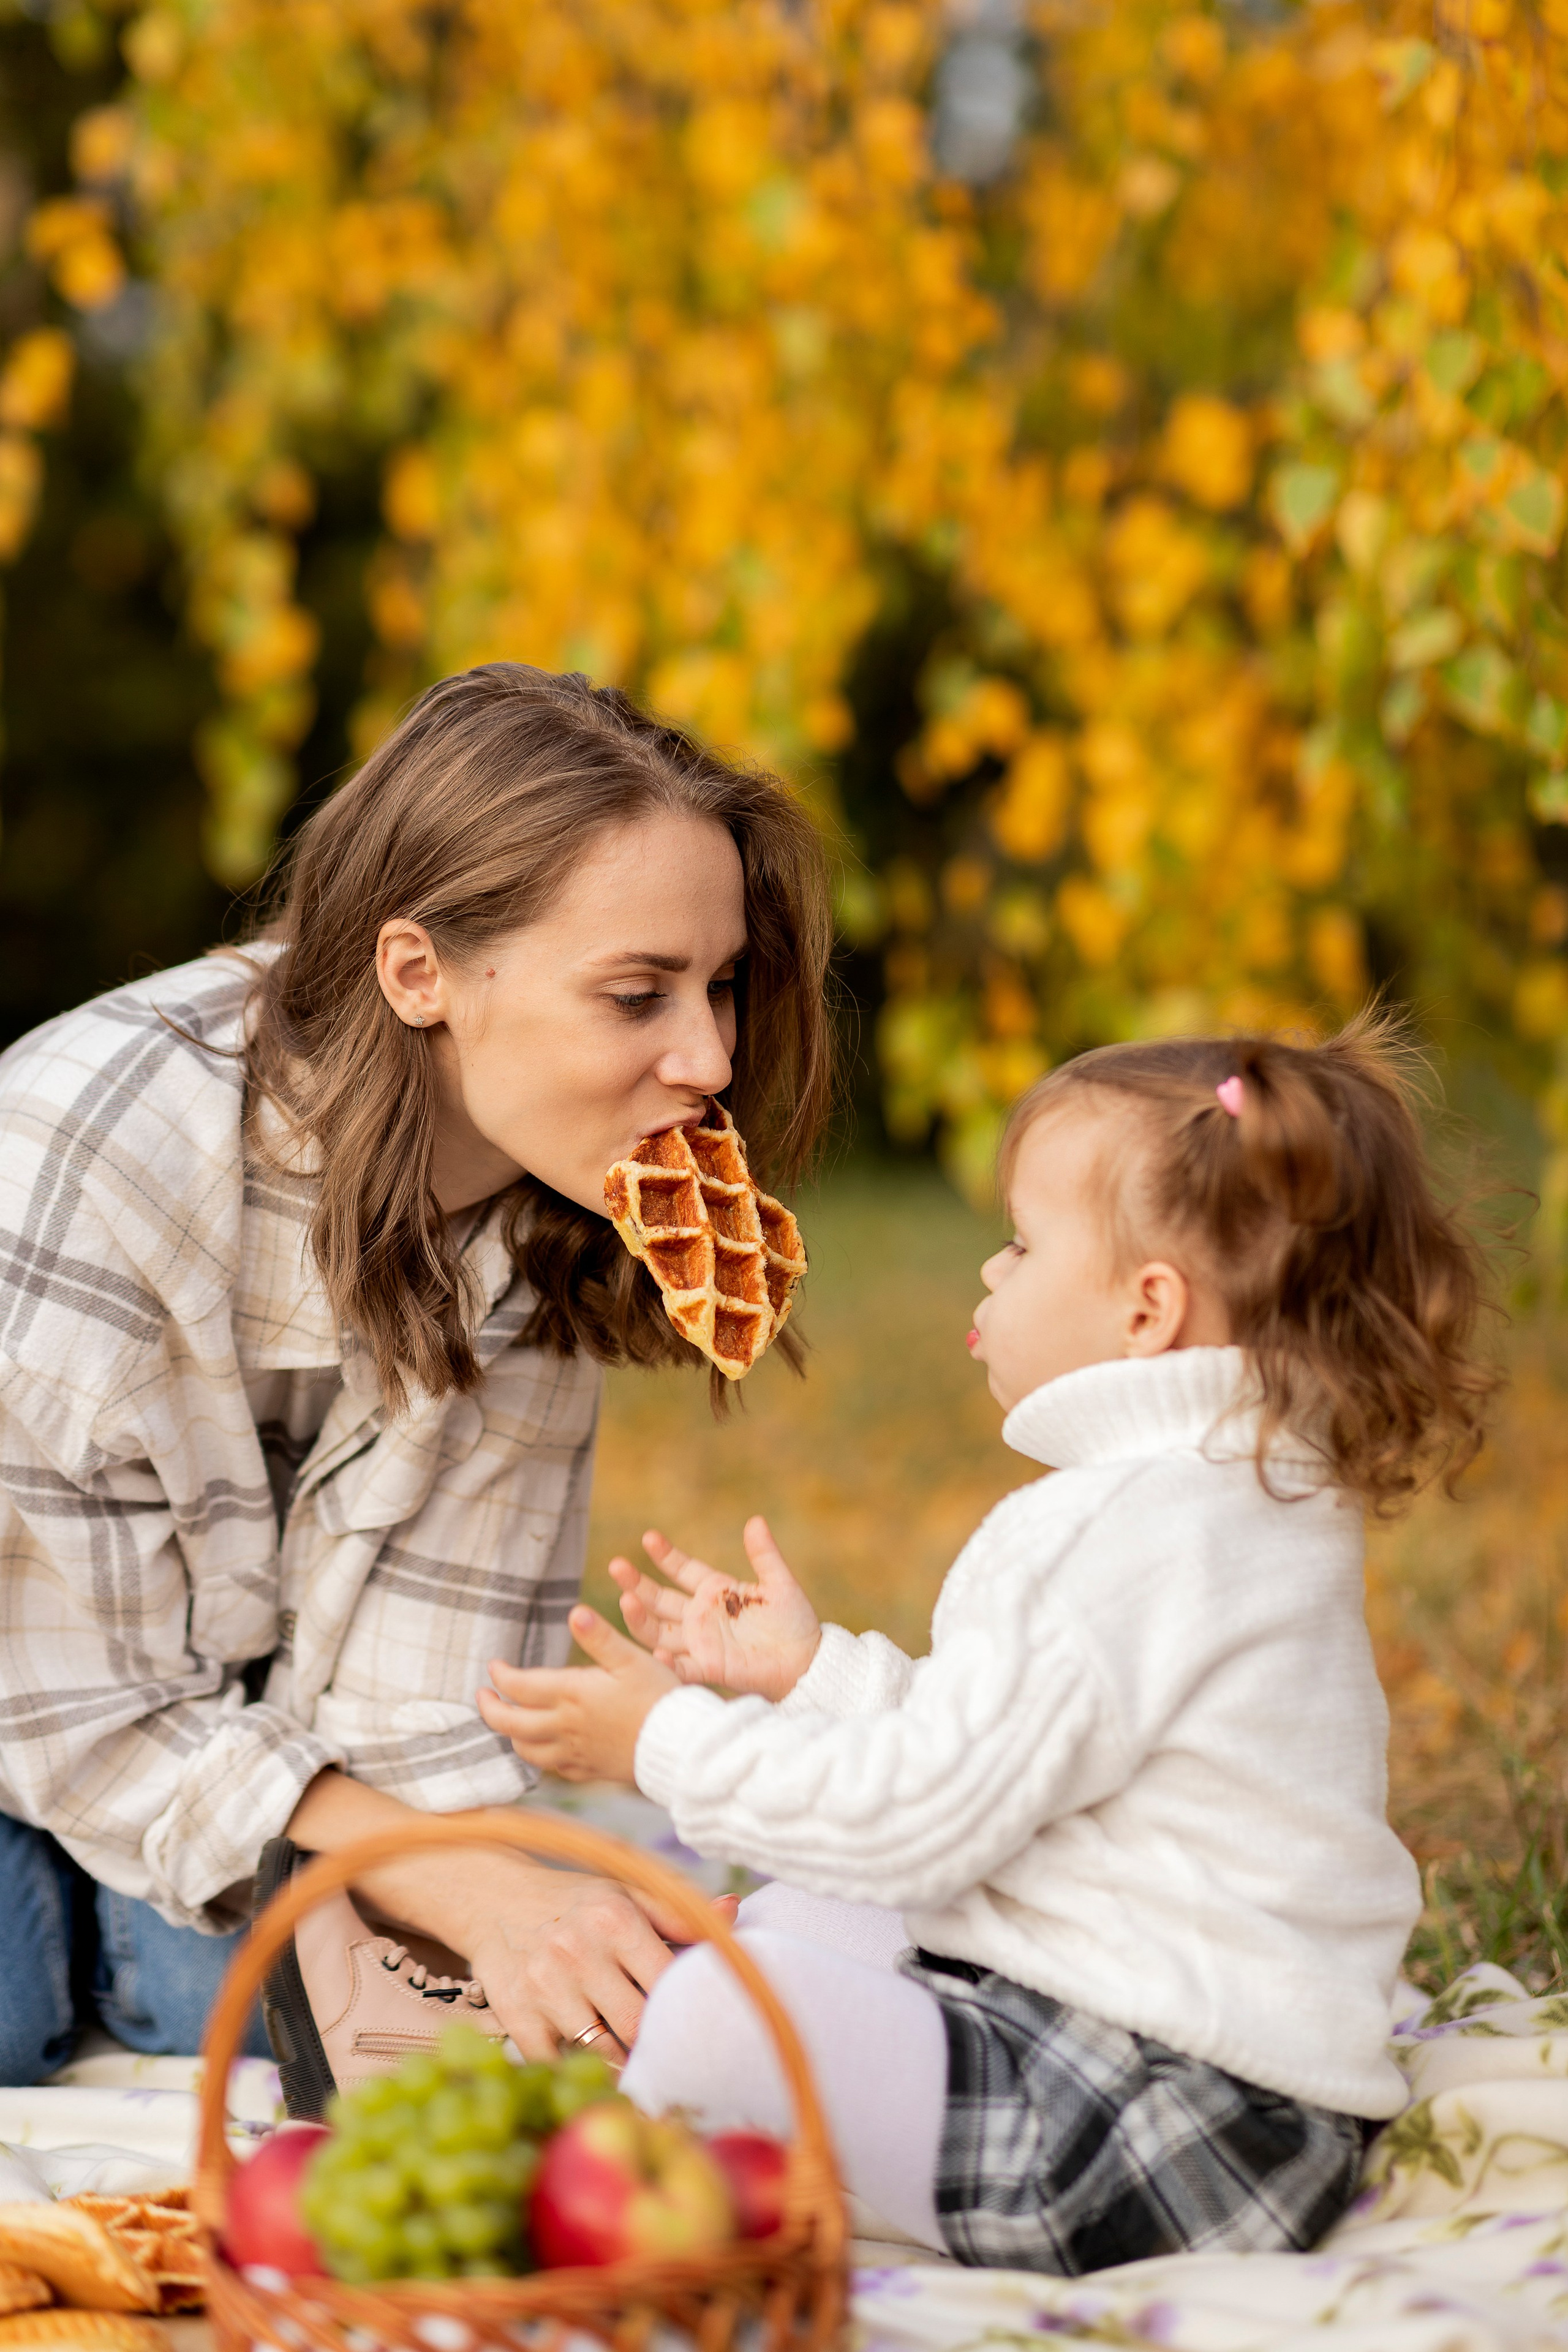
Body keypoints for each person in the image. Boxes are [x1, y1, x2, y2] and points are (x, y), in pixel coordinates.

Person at [481, 1019, 1496, 2273]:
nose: (985, 1275)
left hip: (1162, 2126)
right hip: (1231, 2082)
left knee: (711, 2013)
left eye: (1019, 1244)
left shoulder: (1119, 1528)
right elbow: (1022, 1753)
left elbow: (924, 1818)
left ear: (1145, 1310)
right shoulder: (1229, 1495)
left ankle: (586, 2200)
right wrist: (815, 1677)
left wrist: (665, 1744)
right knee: (792, 1913)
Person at [0, 661, 832, 2086]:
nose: (704, 1058)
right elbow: (75, 1716)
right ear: (418, 972)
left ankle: (150, 1926)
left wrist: (499, 1906)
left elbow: (425, 1698)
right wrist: (459, 1888)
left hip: (221, 1722)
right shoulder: (84, 1165)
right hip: (44, 1694)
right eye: (637, 994)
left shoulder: (556, 1187)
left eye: (721, 986)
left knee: (478, 2008)